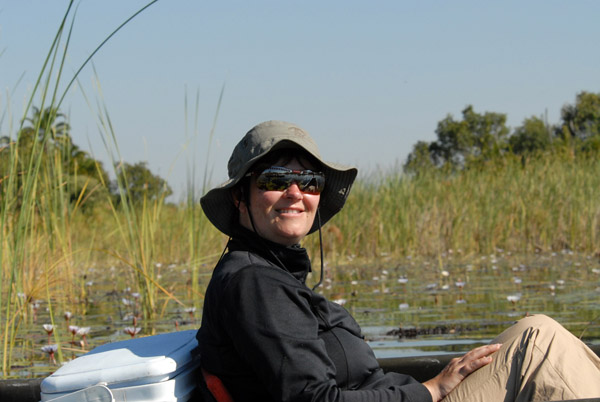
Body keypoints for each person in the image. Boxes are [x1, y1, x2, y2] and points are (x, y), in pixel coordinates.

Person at [196, 120, 600, 402]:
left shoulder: (271, 274)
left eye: (310, 181)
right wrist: (431, 389)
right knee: (536, 346)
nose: (296, 192)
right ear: (239, 196)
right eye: (275, 180)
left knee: (532, 329)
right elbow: (314, 398)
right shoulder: (254, 283)